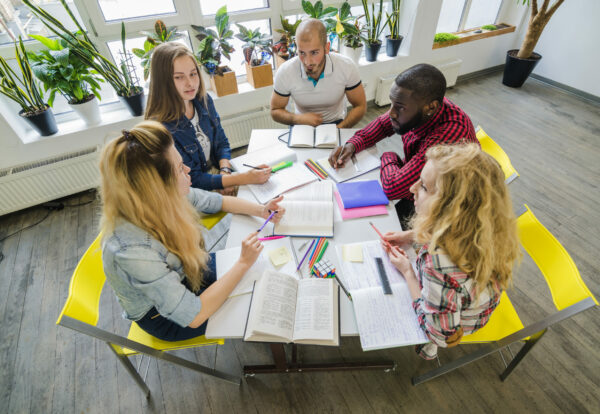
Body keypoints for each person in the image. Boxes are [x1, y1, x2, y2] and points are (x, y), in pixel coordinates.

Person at [99, 121, 285, 341]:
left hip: (185, 273)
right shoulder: (132, 250)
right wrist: (242, 263)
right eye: (179, 168)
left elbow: (216, 201)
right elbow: (193, 315)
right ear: (157, 187)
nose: (188, 170)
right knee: (251, 300)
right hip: (162, 317)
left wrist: (262, 210)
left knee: (255, 275)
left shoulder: (159, 197)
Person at [381, 144, 521, 360]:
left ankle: (426, 350)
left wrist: (408, 272)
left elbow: (438, 334)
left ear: (453, 207)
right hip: (478, 297)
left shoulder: (437, 262)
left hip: (460, 323)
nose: (412, 189)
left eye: (425, 187)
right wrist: (411, 236)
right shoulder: (485, 223)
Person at [328, 63, 478, 224]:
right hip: (423, 188)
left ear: (431, 107)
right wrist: (352, 144)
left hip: (448, 210)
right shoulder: (424, 105)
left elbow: (393, 188)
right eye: (392, 102)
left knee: (381, 222)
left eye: (399, 107)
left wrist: (388, 156)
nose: (391, 112)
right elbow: (381, 125)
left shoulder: (446, 139)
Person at [145, 42, 271, 195]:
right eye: (179, 77)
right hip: (190, 192)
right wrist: (239, 179)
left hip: (214, 174)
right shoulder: (160, 127)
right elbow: (193, 178)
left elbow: (221, 142)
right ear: (163, 82)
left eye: (193, 74)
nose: (190, 83)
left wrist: (225, 171)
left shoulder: (203, 100)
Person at [270, 18, 366, 128]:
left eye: (314, 52)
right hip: (301, 124)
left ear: (326, 48)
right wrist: (299, 119)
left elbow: (360, 106)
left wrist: (339, 130)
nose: (307, 61)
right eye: (302, 53)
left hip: (336, 123)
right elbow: (275, 110)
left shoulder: (347, 66)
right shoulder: (285, 71)